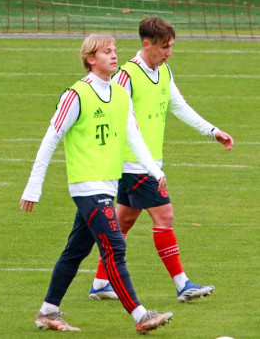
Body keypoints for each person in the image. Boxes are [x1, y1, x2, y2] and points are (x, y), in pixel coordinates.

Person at [20, 34, 173, 334]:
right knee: (115, 247)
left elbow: (133, 137)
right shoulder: (76, 95)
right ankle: (141, 315)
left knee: (76, 250)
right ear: (91, 59)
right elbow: (50, 140)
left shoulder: (120, 94)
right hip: (86, 187)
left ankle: (48, 311)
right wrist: (33, 187)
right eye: (107, 52)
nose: (115, 56)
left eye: (115, 51)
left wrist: (155, 171)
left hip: (107, 185)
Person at [88, 17, 234, 303]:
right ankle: (183, 285)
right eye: (164, 47)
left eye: (171, 47)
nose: (169, 52)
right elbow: (111, 116)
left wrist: (212, 131)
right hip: (135, 165)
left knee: (123, 222)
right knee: (164, 216)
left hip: (145, 163)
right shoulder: (126, 76)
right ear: (147, 44)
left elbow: (178, 104)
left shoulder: (164, 70)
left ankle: (101, 282)